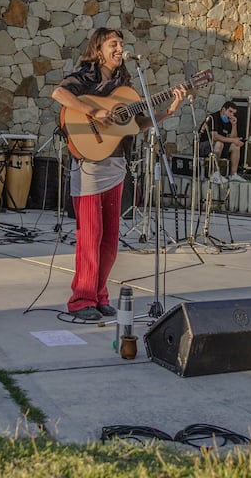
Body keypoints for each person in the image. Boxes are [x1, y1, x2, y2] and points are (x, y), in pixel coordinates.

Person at [51, 28, 186, 321]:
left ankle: (99, 295)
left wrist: (169, 111)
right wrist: (93, 112)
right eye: (114, 43)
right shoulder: (84, 77)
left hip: (116, 165)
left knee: (111, 237)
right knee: (90, 235)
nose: (120, 48)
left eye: (121, 43)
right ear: (98, 50)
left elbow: (135, 125)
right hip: (88, 165)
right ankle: (80, 300)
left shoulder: (126, 86)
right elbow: (59, 93)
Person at [198, 101, 245, 182]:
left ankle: (233, 174)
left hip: (218, 146)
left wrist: (234, 125)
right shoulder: (213, 118)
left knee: (235, 147)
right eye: (230, 111)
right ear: (223, 109)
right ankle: (214, 173)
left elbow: (233, 138)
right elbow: (215, 136)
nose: (231, 115)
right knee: (219, 144)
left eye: (233, 113)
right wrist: (233, 140)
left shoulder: (228, 121)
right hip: (204, 145)